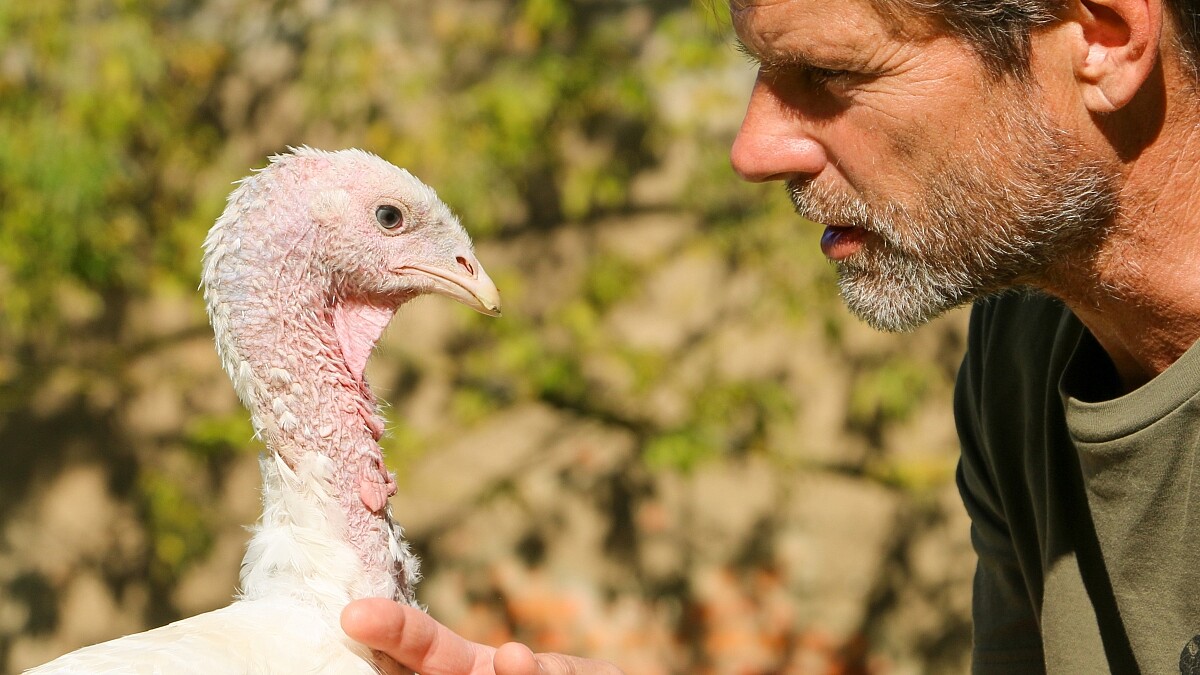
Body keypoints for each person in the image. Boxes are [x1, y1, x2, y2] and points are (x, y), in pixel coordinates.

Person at [341, 0, 1200, 672]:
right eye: (761, 73)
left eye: (826, 73)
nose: (754, 149)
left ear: (1105, 35)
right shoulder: (1021, 357)